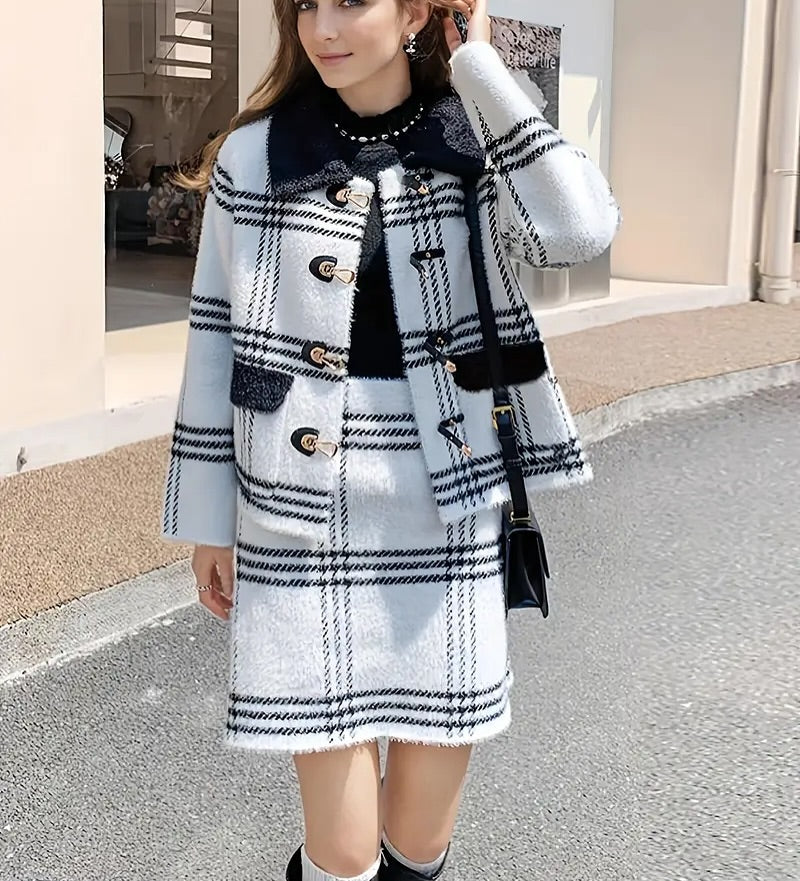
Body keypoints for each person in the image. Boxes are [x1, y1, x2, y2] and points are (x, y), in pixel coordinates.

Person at [160, 0, 620, 879]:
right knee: (342, 851)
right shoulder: (257, 156)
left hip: (447, 498)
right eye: (306, 6)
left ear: (415, 12)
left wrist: (482, 70)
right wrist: (209, 520)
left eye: (350, 2)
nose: (323, 29)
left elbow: (578, 229)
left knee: (419, 840)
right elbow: (214, 341)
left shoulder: (472, 138)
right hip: (300, 512)